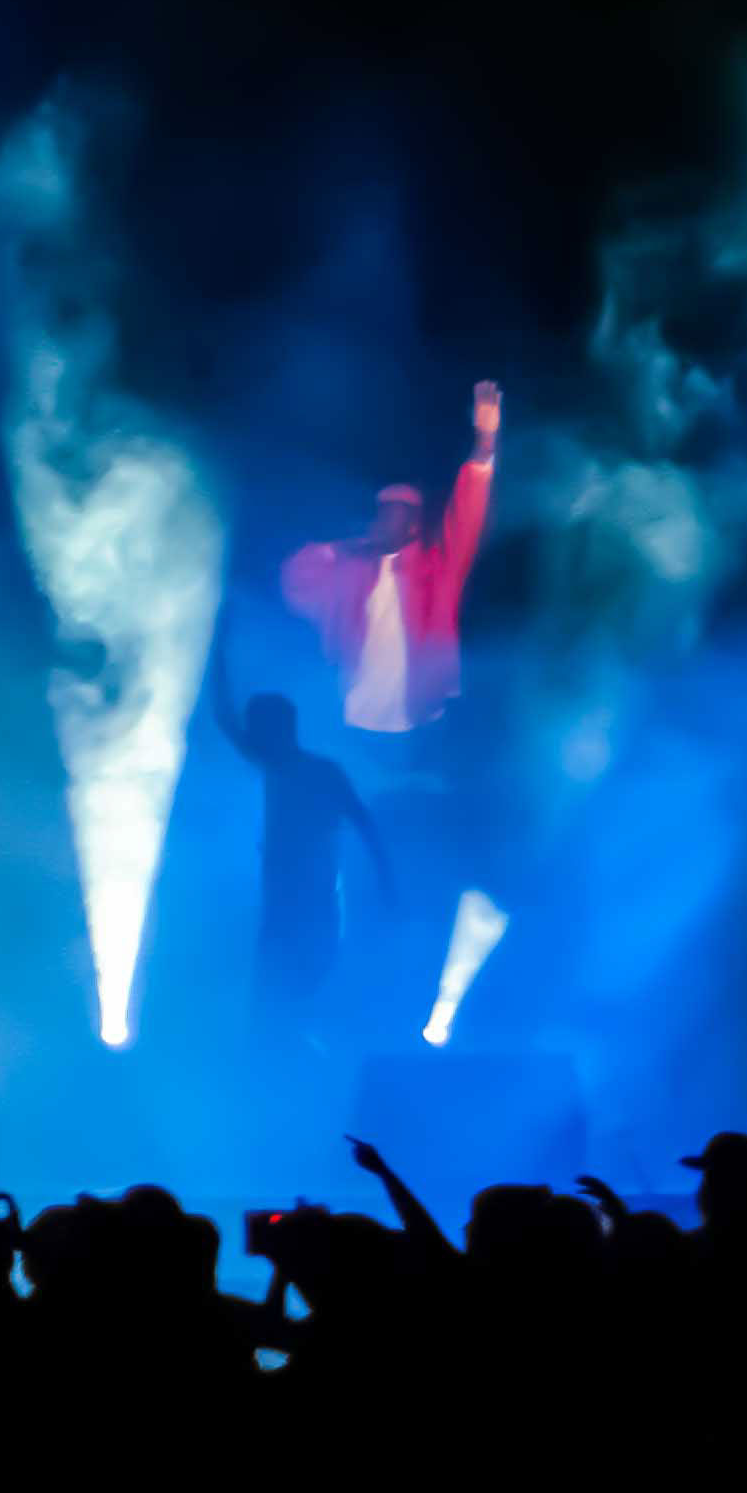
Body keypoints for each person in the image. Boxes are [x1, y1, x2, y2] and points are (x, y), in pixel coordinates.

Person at [282, 381, 499, 742]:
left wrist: (484, 443)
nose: (382, 521)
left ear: (413, 525)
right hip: (350, 726)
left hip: (418, 725)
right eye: (380, 513)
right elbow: (294, 583)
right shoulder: (351, 566)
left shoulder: (436, 570)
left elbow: (467, 517)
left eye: (392, 515)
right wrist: (341, 547)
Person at [208, 641, 397, 1049]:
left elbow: (365, 825)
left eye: (259, 726)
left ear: (279, 728)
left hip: (312, 897)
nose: (253, 735)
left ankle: (300, 1047)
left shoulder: (320, 772)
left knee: (305, 977)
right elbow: (224, 717)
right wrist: (214, 648)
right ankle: (274, 1053)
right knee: (275, 986)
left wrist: (386, 885)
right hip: (285, 900)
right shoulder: (285, 768)